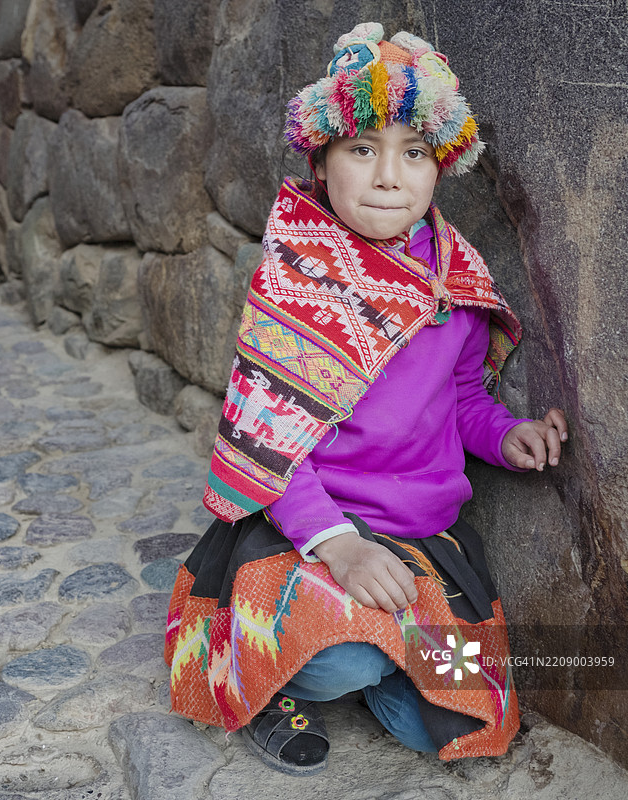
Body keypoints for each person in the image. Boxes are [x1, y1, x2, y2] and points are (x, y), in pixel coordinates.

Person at [164, 22, 567, 775]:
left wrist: (505, 434)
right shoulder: (299, 278)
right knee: (341, 659)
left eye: (413, 153)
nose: (389, 176)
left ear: (439, 168)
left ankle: (385, 672)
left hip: (421, 546)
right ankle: (290, 681)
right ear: (320, 160)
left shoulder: (454, 278)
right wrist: (340, 547)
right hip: (309, 534)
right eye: (363, 149)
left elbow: (460, 401)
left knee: (462, 719)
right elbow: (270, 437)